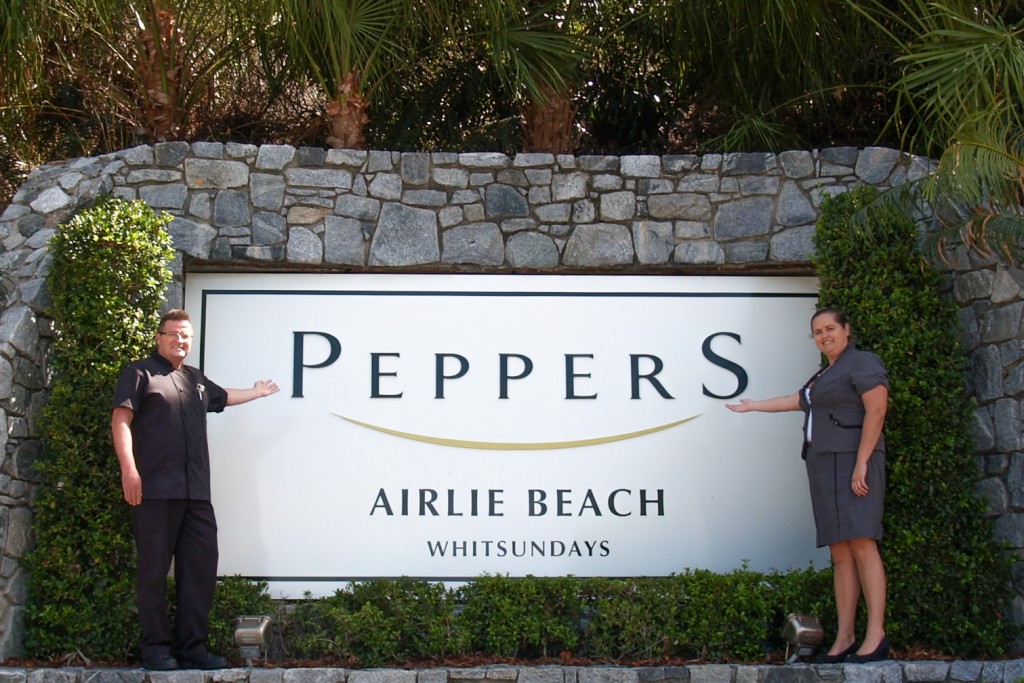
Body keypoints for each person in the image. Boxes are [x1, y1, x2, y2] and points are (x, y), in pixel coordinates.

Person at [111, 309, 279, 671]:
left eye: (185, 335)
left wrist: (257, 392)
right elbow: (121, 420)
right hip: (154, 491)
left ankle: (193, 649)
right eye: (173, 334)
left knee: (200, 570)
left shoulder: (195, 380)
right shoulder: (140, 373)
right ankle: (155, 649)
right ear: (159, 337)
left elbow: (222, 397)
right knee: (153, 572)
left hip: (196, 495)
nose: (180, 340)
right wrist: (129, 470)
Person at [726, 307, 890, 663]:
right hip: (823, 466)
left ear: (847, 329)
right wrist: (753, 405)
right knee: (840, 553)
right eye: (817, 332)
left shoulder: (862, 362)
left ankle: (875, 636)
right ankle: (845, 635)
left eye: (830, 328)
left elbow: (877, 410)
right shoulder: (825, 374)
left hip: (852, 463)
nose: (824, 335)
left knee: (863, 545)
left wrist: (862, 462)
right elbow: (795, 401)